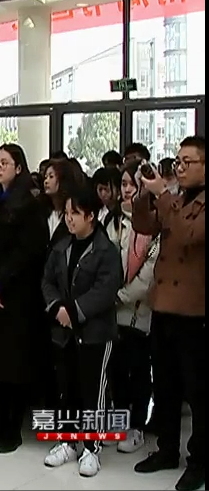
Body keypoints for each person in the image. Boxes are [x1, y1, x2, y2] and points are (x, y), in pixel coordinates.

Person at [132, 136, 205, 491]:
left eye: (188, 162)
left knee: (197, 390)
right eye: (178, 161)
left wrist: (163, 194)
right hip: (162, 305)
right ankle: (166, 449)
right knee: (165, 384)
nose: (180, 167)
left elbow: (189, 234)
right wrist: (143, 193)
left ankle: (199, 461)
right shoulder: (174, 197)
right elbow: (144, 225)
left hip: (194, 310)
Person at [41, 186, 122, 478]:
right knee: (67, 388)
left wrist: (74, 312)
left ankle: (91, 447)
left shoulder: (106, 250)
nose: (69, 218)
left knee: (92, 391)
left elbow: (105, 290)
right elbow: (47, 281)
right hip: (63, 332)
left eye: (75, 213)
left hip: (95, 332)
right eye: (66, 213)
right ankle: (68, 441)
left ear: (91, 215)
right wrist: (56, 307)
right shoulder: (62, 246)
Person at [0, 144, 49, 454]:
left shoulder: (29, 205)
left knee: (14, 364)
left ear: (19, 168)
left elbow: (28, 251)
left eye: (4, 163)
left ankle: (13, 427)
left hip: (17, 295)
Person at [106, 160, 158, 455]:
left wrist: (121, 295)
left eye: (133, 185)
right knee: (115, 370)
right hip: (111, 311)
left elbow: (149, 272)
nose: (127, 190)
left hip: (139, 311)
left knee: (138, 371)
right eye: (124, 184)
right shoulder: (112, 221)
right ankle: (120, 419)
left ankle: (137, 425)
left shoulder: (154, 224)